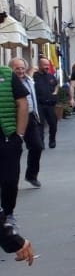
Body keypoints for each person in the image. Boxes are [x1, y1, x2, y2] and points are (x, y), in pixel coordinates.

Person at [0, 61, 28, 236]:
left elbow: (22, 103)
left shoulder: (7, 74)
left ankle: (8, 214)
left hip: (7, 135)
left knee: (9, 180)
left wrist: (19, 134)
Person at [10, 59, 42, 188]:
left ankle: (31, 175)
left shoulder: (29, 80)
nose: (20, 71)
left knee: (37, 146)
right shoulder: (8, 83)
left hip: (30, 117)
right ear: (11, 69)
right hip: (14, 118)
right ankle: (11, 180)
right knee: (14, 151)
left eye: (22, 68)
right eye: (17, 68)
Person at [33, 56, 57, 149]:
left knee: (53, 123)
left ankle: (52, 139)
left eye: (48, 65)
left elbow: (56, 85)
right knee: (40, 124)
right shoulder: (34, 76)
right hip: (39, 104)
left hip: (50, 104)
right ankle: (41, 142)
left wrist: (55, 92)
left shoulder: (51, 76)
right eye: (45, 65)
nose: (47, 67)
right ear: (39, 65)